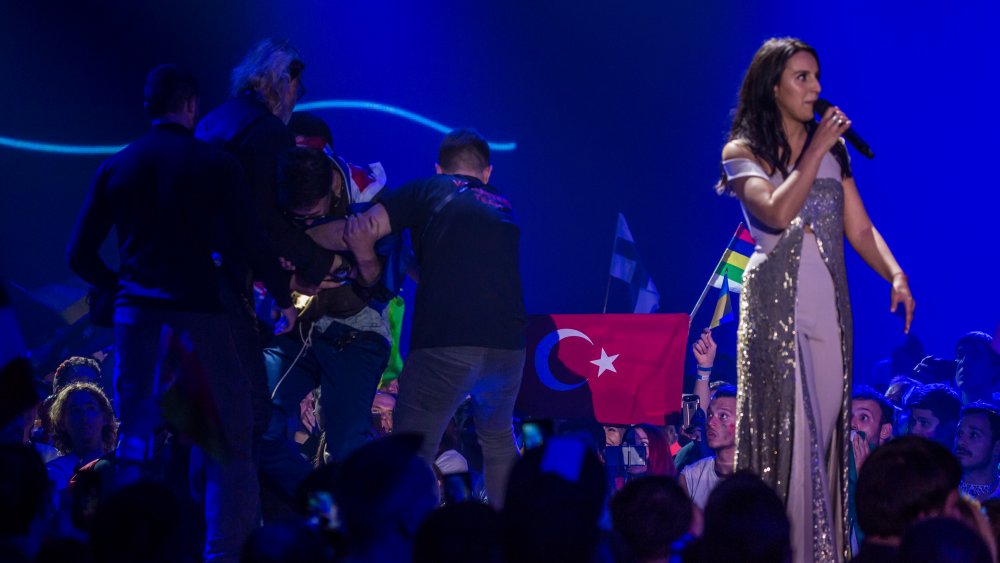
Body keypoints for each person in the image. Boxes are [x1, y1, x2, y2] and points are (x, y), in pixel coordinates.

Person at [66, 64, 294, 562]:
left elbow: (79, 254)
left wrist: (121, 285)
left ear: (148, 107)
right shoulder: (214, 164)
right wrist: (283, 291)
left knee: (137, 440)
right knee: (229, 440)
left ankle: (127, 552)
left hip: (138, 320)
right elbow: (251, 240)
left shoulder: (117, 166)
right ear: (191, 105)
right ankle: (223, 554)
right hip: (201, 317)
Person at [717, 37, 915, 562]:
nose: (816, 89)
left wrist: (895, 274)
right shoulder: (742, 152)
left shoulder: (834, 150)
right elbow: (776, 215)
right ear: (773, 86)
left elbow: (860, 226)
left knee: (824, 429)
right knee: (787, 430)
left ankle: (820, 551)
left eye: (817, 77)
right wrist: (813, 151)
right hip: (774, 307)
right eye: (802, 78)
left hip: (829, 305)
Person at [306, 128, 526, 507]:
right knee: (498, 440)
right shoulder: (501, 205)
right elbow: (452, 271)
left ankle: (407, 545)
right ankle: (513, 542)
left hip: (447, 343)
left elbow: (362, 230)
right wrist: (407, 262)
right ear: (487, 172)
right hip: (508, 350)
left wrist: (300, 235)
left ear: (439, 169)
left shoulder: (429, 189)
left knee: (411, 453)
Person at [679, 385, 736, 509]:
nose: (710, 423)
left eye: (723, 416)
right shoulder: (690, 477)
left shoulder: (758, 476)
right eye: (710, 414)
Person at [954, 401, 1000, 500]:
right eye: (959, 433)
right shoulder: (939, 491)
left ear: (997, 447)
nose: (961, 442)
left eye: (973, 435)